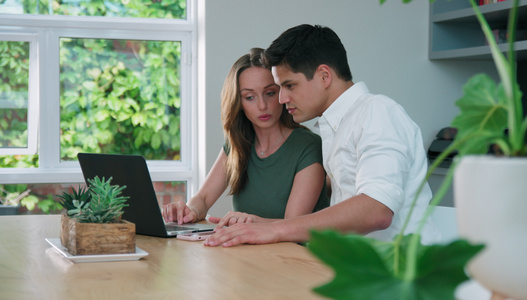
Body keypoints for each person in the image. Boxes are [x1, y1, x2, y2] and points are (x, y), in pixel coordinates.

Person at [204, 24, 439, 247]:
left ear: (324, 76)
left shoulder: (378, 112)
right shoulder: (336, 127)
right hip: (356, 270)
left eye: (289, 86)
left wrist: (276, 230)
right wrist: (257, 224)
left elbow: (376, 210)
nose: (282, 98)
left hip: (398, 276)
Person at [162, 48, 329, 226]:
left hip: (296, 253)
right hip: (249, 251)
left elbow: (292, 226)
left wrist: (249, 221)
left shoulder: (308, 145)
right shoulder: (237, 145)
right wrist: (188, 211)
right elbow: (202, 199)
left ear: (282, 93)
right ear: (238, 103)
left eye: (270, 93)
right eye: (250, 97)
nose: (262, 105)